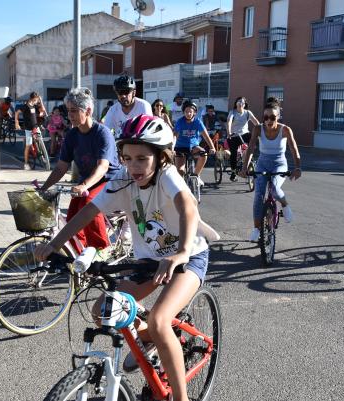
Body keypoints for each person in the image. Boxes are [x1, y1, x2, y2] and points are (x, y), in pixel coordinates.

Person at [34, 114, 218, 401]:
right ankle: (151, 342)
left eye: (142, 158)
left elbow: (188, 207)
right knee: (103, 311)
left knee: (159, 320)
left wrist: (181, 252)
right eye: (128, 158)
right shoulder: (122, 179)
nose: (134, 166)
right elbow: (88, 212)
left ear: (160, 157)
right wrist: (55, 245)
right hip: (147, 262)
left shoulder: (167, 175)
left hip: (188, 256)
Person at [39, 87, 122, 253]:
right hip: (88, 182)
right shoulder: (71, 135)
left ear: (88, 111)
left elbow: (103, 167)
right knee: (71, 216)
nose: (70, 115)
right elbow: (61, 167)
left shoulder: (102, 133)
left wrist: (84, 185)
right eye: (68, 111)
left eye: (74, 111)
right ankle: (79, 253)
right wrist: (44, 188)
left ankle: (100, 250)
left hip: (109, 180)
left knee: (88, 203)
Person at [240, 102, 301, 242]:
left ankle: (284, 205)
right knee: (258, 195)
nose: (268, 120)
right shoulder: (257, 128)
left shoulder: (285, 130)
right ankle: (256, 229)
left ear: (278, 117)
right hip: (262, 163)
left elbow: (294, 150)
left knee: (274, 188)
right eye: (265, 117)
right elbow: (250, 149)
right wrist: (245, 168)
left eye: (272, 117)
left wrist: (298, 167)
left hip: (279, 163)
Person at [173, 100, 216, 187]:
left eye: (190, 111)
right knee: (180, 171)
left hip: (193, 147)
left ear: (194, 113)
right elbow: (174, 137)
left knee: (204, 154)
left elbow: (206, 136)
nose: (188, 113)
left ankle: (196, 176)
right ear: (183, 112)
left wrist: (212, 147)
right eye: (186, 111)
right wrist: (171, 148)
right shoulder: (180, 122)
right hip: (180, 147)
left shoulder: (198, 122)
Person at [226, 96, 260, 181]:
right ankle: (233, 172)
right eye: (239, 102)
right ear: (236, 103)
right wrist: (229, 132)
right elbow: (229, 121)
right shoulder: (232, 112)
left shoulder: (248, 113)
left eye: (243, 102)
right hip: (234, 135)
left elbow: (256, 122)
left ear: (245, 105)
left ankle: (248, 159)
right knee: (233, 154)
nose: (241, 103)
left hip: (245, 134)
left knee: (252, 144)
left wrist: (261, 131)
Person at [15, 92, 46, 170]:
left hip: (36, 127)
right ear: (33, 99)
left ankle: (42, 155)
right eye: (37, 100)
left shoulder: (35, 106)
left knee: (40, 140)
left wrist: (41, 101)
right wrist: (17, 123)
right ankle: (26, 163)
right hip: (28, 128)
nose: (37, 101)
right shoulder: (25, 106)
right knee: (28, 145)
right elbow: (17, 113)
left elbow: (43, 111)